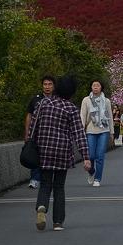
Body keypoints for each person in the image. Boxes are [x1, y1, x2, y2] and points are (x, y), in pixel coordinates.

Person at [28, 76, 92, 231]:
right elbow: (79, 134)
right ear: (71, 92)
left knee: (45, 183)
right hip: (62, 151)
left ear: (57, 88)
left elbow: (33, 127)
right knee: (59, 186)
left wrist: (31, 143)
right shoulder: (71, 108)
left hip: (44, 150)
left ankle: (42, 206)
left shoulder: (43, 104)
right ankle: (57, 222)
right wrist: (86, 157)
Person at [24, 75, 55, 189]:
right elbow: (29, 115)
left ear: (53, 86)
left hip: (51, 133)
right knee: (35, 155)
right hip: (36, 133)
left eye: (50, 84)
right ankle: (34, 179)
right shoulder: (36, 99)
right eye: (45, 84)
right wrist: (27, 133)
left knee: (49, 157)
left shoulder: (57, 100)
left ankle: (47, 179)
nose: (47, 87)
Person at [79, 80, 112, 187]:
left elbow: (110, 116)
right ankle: (91, 171)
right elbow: (82, 116)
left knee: (100, 156)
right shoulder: (86, 100)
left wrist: (112, 132)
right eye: (94, 85)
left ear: (101, 87)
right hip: (90, 130)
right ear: (91, 87)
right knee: (91, 155)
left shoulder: (106, 101)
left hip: (104, 130)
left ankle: (97, 179)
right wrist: (81, 130)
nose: (96, 87)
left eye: (98, 85)